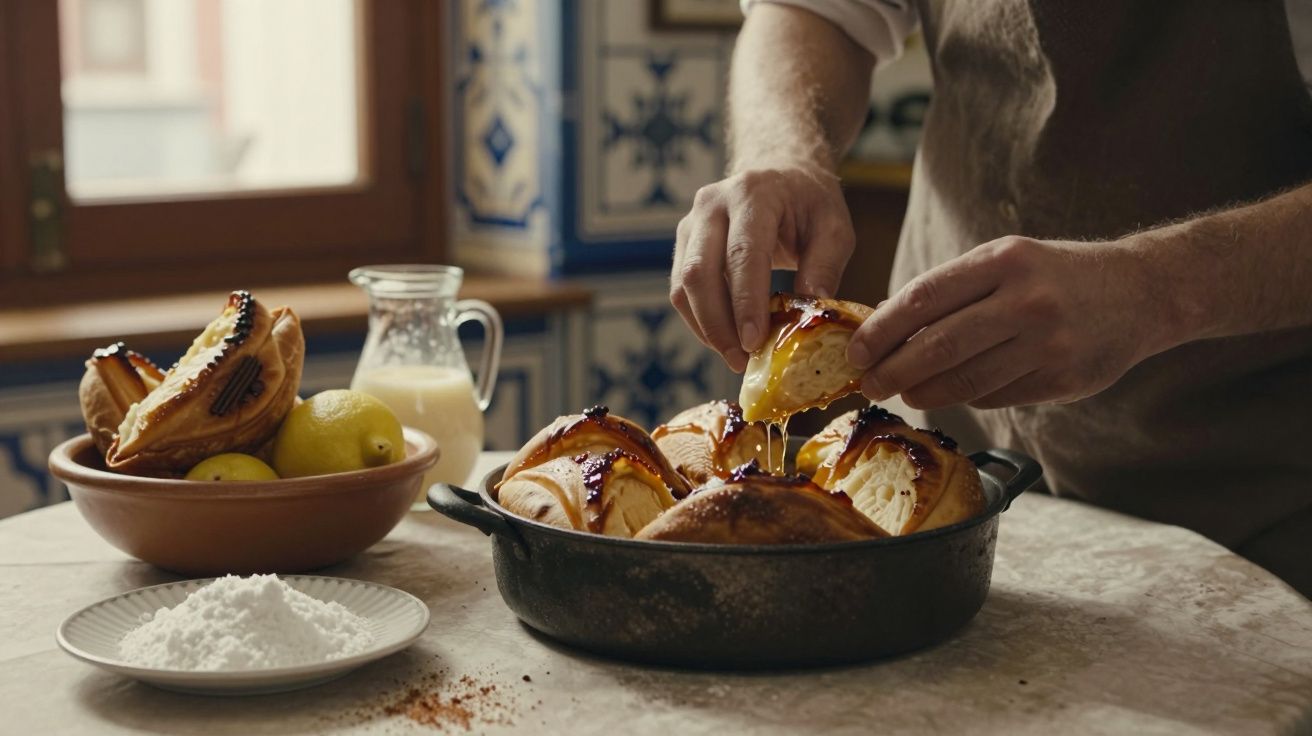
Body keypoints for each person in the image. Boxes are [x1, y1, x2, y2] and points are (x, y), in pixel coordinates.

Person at [669, 0, 1312, 598]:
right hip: (940, 460)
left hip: (1255, 486)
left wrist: (1157, 289)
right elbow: (816, 10)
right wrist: (785, 152)